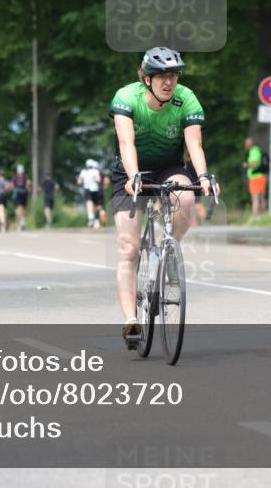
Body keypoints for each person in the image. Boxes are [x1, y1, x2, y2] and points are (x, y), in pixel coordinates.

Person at [109, 47, 216, 349]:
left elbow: (194, 145)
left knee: (186, 196)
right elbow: (126, 142)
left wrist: (203, 176)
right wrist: (133, 176)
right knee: (129, 247)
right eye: (161, 77)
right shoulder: (126, 97)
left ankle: (168, 248)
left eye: (173, 76)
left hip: (169, 168)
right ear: (147, 79)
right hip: (130, 170)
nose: (169, 82)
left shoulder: (186, 99)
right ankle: (131, 320)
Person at [243, 137, 267, 216]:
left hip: (256, 178)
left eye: (246, 144)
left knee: (255, 199)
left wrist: (247, 165)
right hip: (259, 177)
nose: (245, 145)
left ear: (249, 144)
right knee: (261, 198)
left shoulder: (254, 152)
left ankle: (255, 217)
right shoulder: (256, 151)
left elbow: (255, 164)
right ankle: (263, 217)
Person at [78, 159, 104, 228]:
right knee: (96, 205)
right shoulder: (95, 171)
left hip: (87, 189)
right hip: (95, 189)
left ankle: (91, 218)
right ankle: (96, 220)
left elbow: (79, 181)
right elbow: (98, 180)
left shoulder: (83, 172)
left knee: (89, 203)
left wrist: (85, 181)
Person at [9, 165, 31, 231]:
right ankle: (22, 222)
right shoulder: (21, 178)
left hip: (21, 194)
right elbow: (28, 186)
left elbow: (12, 186)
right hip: (20, 194)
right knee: (20, 209)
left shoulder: (18, 178)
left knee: (21, 209)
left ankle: (22, 222)